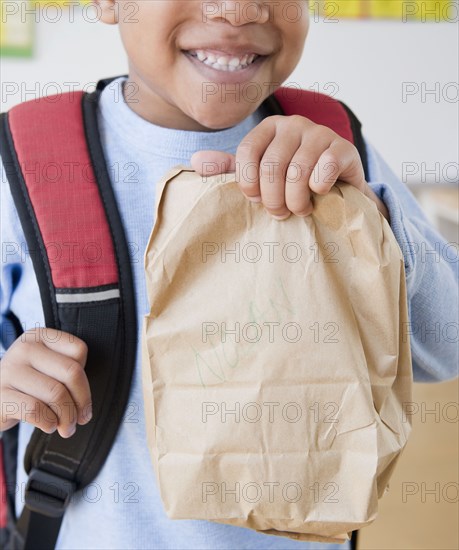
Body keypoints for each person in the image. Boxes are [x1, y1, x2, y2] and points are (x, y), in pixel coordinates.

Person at [1, 1, 457, 548]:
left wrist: (368, 220)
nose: (238, 9)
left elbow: (446, 347)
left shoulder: (335, 146)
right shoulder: (27, 161)